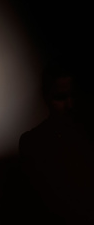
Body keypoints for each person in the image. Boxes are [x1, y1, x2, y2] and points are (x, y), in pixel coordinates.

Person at [18, 61, 94, 224]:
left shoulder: (88, 135)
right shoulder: (32, 143)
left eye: (73, 95)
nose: (70, 104)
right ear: (46, 97)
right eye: (60, 98)